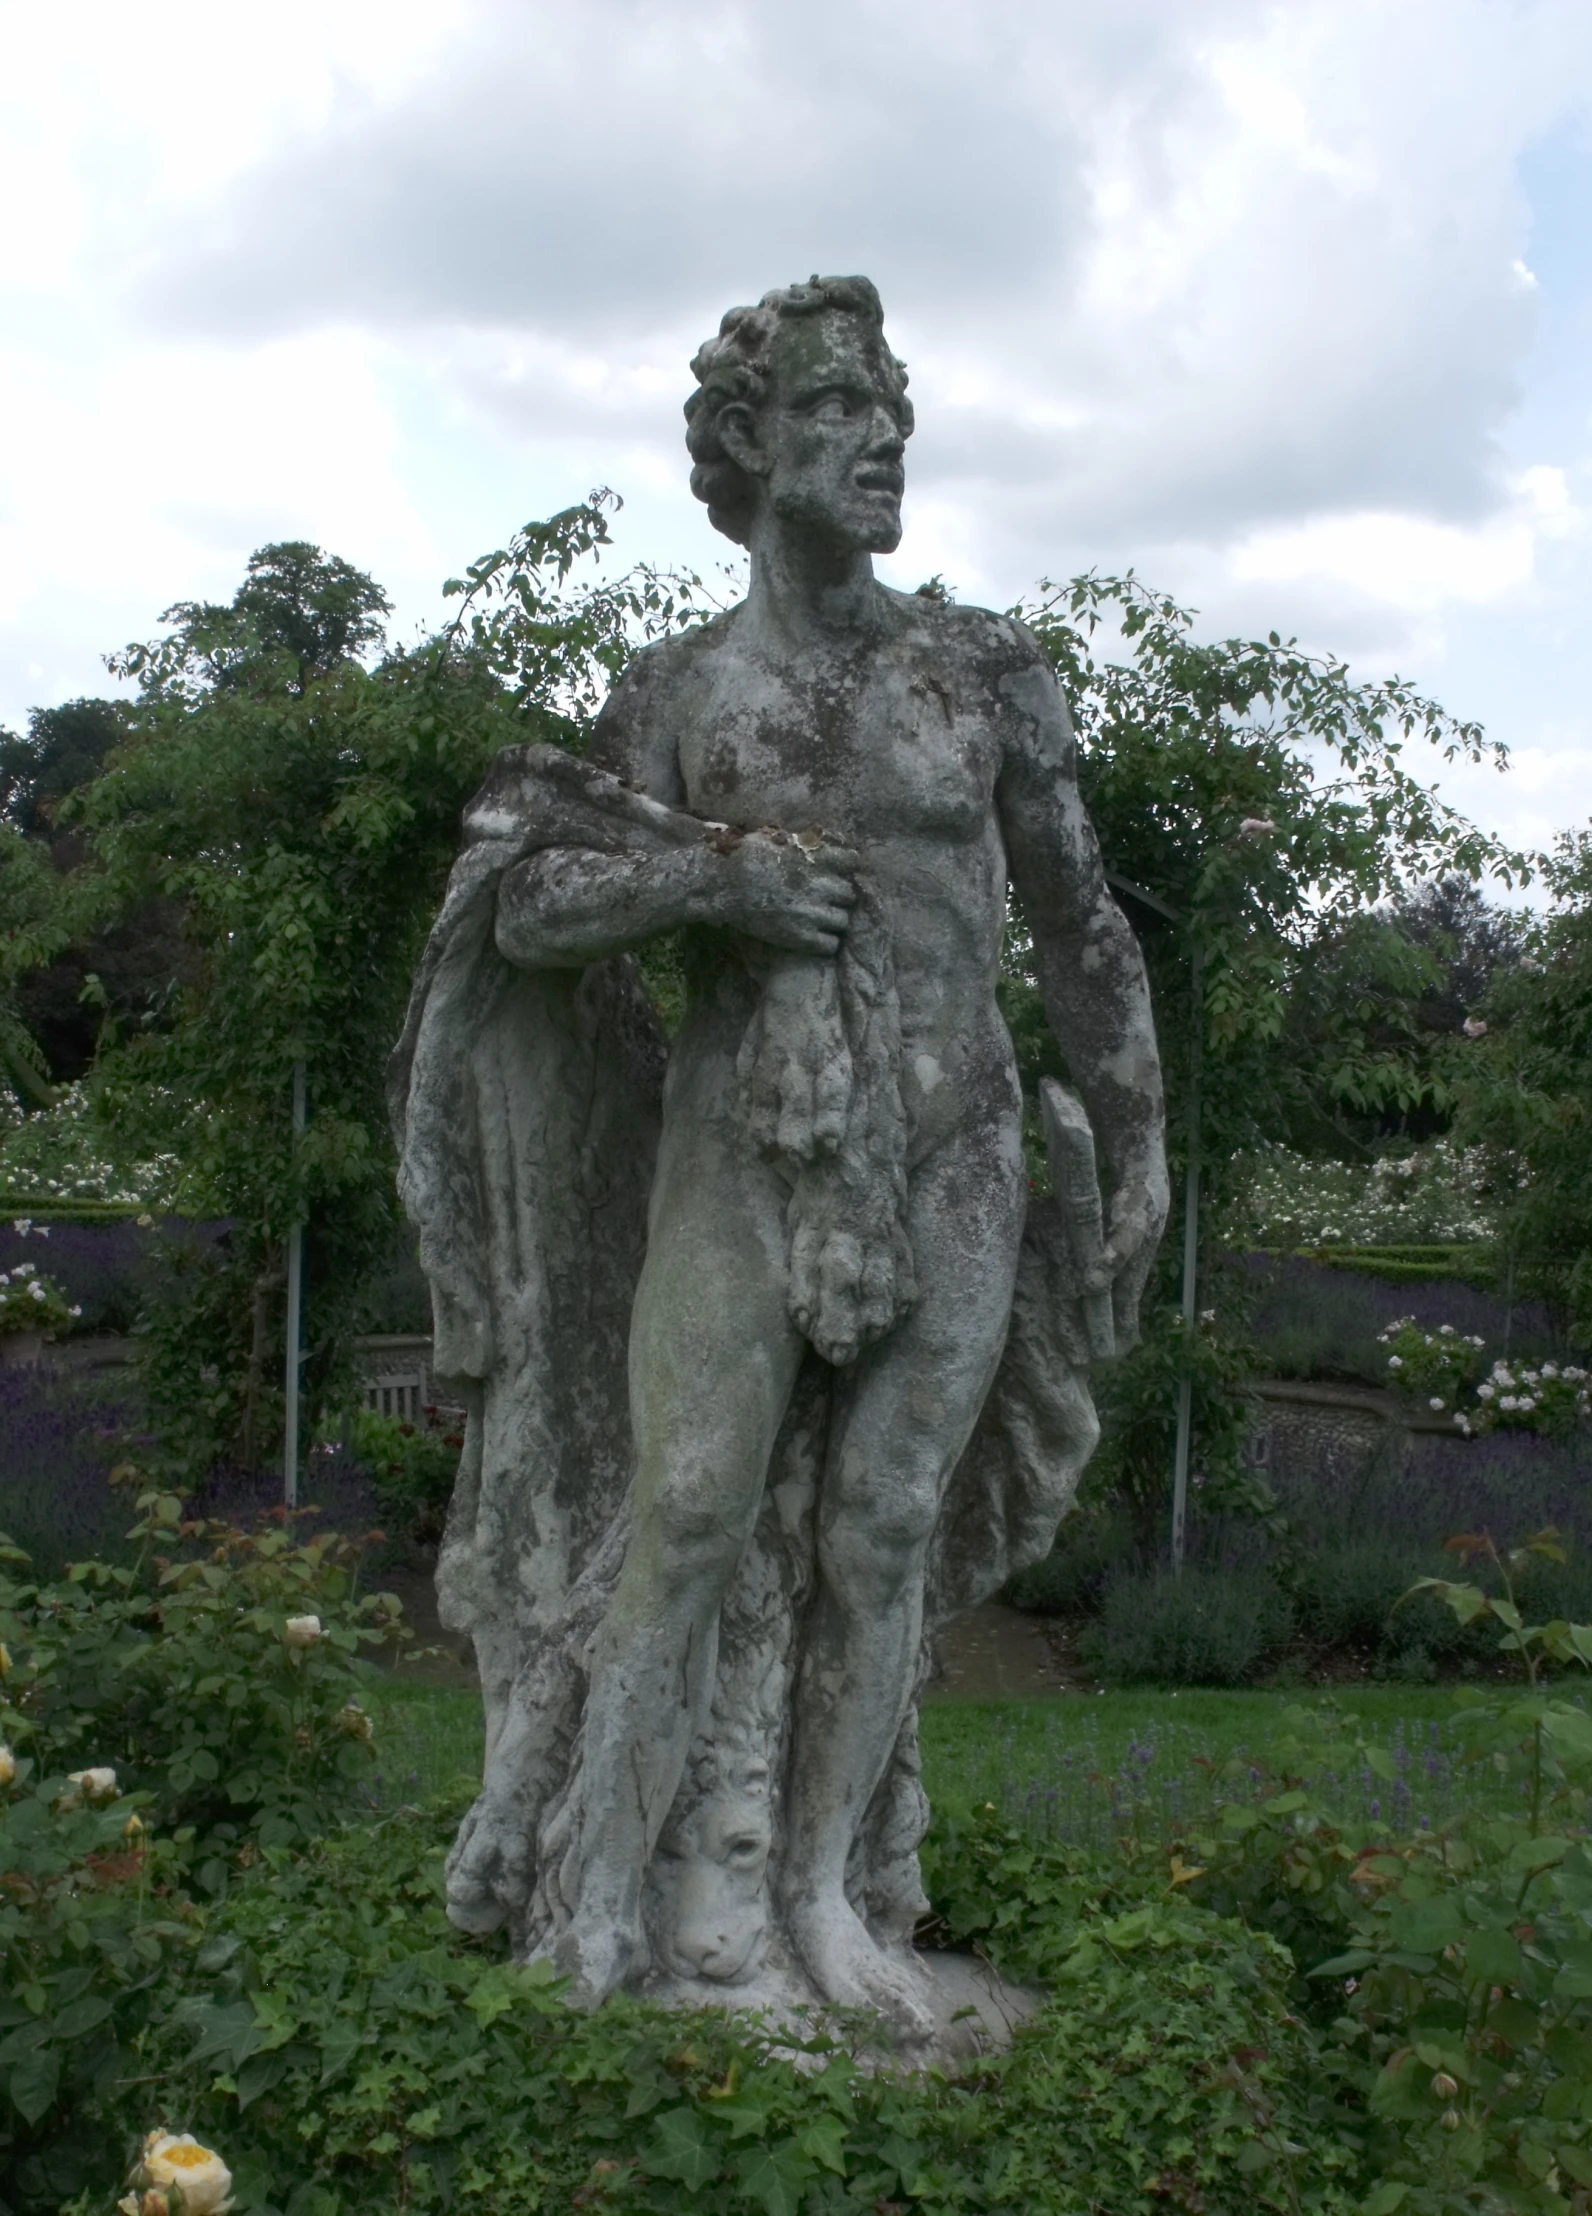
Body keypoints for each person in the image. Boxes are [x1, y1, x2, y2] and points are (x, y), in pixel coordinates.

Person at [486, 275, 1168, 2032]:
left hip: (955, 1142)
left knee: (879, 1533)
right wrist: (714, 876)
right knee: (692, 1512)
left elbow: (1081, 928)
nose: (882, 440)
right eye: (836, 410)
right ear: (741, 444)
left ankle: (824, 1895)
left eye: (891, 409)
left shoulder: (980, 671)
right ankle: (594, 1911)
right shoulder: (683, 694)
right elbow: (534, 901)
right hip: (740, 1149)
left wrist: (1143, 1133)